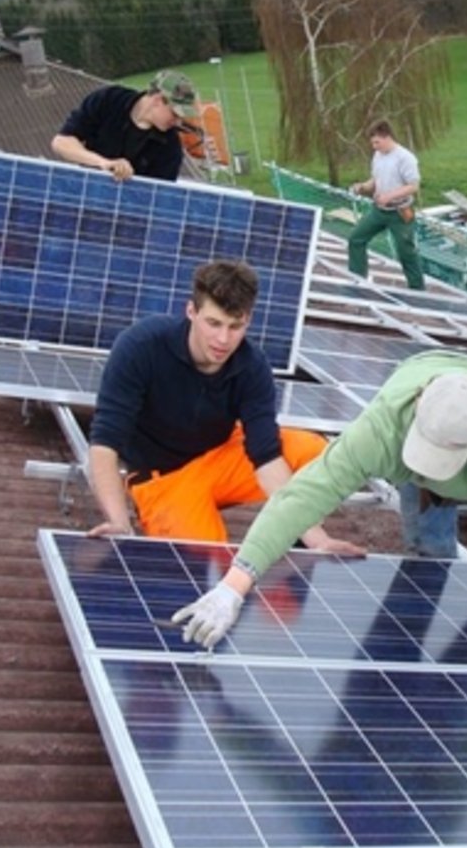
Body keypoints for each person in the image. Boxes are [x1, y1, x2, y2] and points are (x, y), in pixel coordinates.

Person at [172, 348, 467, 684]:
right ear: (416, 405)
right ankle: (406, 666)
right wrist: (234, 586)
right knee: (431, 550)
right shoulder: (381, 429)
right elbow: (300, 498)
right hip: (416, 426)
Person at [86, 259, 362, 553]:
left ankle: (293, 544)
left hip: (221, 456)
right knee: (205, 566)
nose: (223, 339)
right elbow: (105, 442)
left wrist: (319, 541)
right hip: (164, 477)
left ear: (248, 320)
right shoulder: (142, 346)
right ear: (191, 311)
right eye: (213, 323)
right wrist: (119, 522)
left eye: (235, 326)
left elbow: (266, 457)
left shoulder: (252, 366)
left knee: (315, 453)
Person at [51, 69, 200, 182]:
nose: (177, 121)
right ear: (158, 100)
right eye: (174, 114)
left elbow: (157, 199)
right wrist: (103, 163)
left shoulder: (170, 148)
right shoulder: (109, 100)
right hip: (86, 194)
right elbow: (61, 142)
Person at [347, 119, 425, 290]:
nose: (374, 146)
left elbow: (413, 186)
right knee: (355, 238)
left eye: (377, 142)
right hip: (379, 211)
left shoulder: (405, 158)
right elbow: (375, 180)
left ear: (387, 137)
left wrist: (389, 196)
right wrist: (362, 187)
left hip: (400, 211)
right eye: (372, 143)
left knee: (406, 252)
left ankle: (418, 289)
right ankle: (357, 280)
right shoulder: (378, 155)